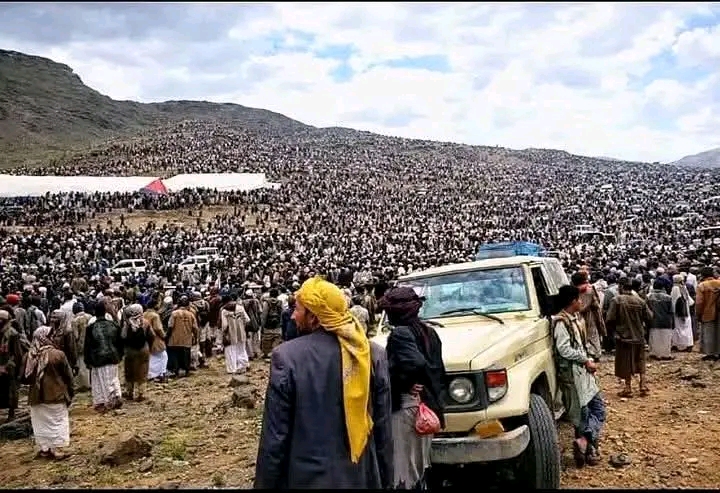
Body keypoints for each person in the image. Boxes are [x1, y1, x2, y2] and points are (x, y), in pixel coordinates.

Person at [254, 276, 393, 489]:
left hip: (307, 479)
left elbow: (275, 437)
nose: (293, 316)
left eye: (297, 309)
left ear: (313, 318)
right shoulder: (371, 354)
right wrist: (387, 479)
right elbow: (383, 430)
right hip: (362, 477)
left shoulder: (287, 357)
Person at [379, 287, 446, 489]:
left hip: (407, 408)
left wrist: (404, 382)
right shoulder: (429, 332)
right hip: (426, 409)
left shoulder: (400, 333)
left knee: (403, 471)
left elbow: (415, 362)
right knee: (418, 468)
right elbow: (438, 372)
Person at [551, 285, 605, 468]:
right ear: (573, 301)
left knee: (597, 410)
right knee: (583, 415)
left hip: (584, 373)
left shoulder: (574, 319)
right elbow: (564, 349)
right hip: (574, 375)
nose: (581, 302)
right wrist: (584, 360)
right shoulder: (561, 322)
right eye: (579, 299)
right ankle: (588, 450)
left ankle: (584, 441)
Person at [22, 325, 74, 460]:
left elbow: (23, 378)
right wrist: (70, 393)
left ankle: (44, 449)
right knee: (57, 422)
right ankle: (56, 450)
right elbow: (68, 376)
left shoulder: (29, 356)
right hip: (56, 394)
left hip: (36, 397)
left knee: (41, 424)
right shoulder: (58, 354)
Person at [606, 277, 653, 397]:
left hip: (624, 336)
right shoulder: (640, 301)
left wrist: (614, 331)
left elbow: (610, 318)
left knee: (626, 361)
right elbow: (649, 317)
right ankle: (643, 385)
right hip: (639, 335)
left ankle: (628, 388)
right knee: (640, 360)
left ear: (621, 287)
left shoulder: (616, 300)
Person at [84, 303, 123, 412]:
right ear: (105, 312)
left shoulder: (91, 328)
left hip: (98, 358)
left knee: (102, 381)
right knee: (113, 378)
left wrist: (87, 361)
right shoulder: (114, 325)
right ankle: (115, 397)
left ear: (94, 313)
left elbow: (88, 346)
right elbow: (120, 342)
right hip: (113, 356)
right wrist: (120, 355)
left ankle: (107, 401)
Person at [121, 304, 151, 401]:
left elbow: (123, 337)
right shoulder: (145, 322)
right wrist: (148, 345)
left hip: (130, 351)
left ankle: (129, 392)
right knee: (143, 371)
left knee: (129, 372)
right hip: (143, 350)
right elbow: (152, 335)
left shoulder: (127, 323)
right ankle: (141, 393)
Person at [0, 310, 24, 422]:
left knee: (11, 389)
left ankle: (11, 413)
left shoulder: (12, 333)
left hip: (9, 366)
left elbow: (17, 353)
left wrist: (9, 365)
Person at [166, 296, 198, 378]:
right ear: (188, 305)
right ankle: (186, 371)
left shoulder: (174, 313)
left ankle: (176, 371)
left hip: (175, 339)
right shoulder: (191, 314)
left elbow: (170, 326)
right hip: (187, 339)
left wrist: (167, 336)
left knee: (175, 355)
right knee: (186, 356)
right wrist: (195, 338)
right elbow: (195, 328)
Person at [220, 293, 251, 374]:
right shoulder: (240, 307)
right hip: (241, 331)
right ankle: (243, 365)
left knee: (230, 350)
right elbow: (247, 320)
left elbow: (225, 325)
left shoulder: (224, 310)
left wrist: (223, 333)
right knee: (241, 349)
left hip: (230, 333)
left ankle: (232, 369)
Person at [696, 267, 720, 361]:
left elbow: (699, 302)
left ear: (702, 275)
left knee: (708, 333)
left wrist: (698, 314)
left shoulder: (702, 286)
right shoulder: (719, 282)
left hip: (707, 312)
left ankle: (710, 353)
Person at [646, 280, 674, 360]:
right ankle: (665, 354)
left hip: (653, 321)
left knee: (654, 337)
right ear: (663, 287)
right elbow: (671, 311)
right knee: (665, 338)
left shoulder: (648, 297)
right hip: (666, 321)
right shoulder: (668, 297)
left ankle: (654, 353)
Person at [670, 274, 694, 352]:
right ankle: (688, 345)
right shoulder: (684, 287)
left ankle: (677, 345)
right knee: (687, 328)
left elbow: (673, 302)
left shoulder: (675, 288)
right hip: (686, 311)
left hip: (678, 313)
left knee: (678, 329)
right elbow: (690, 301)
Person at [260, 288, 284, 359]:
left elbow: (264, 315)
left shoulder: (266, 303)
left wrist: (262, 326)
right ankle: (275, 353)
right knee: (276, 340)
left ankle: (267, 354)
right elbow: (282, 313)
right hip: (277, 325)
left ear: (270, 294)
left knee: (267, 340)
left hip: (268, 325)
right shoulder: (280, 302)